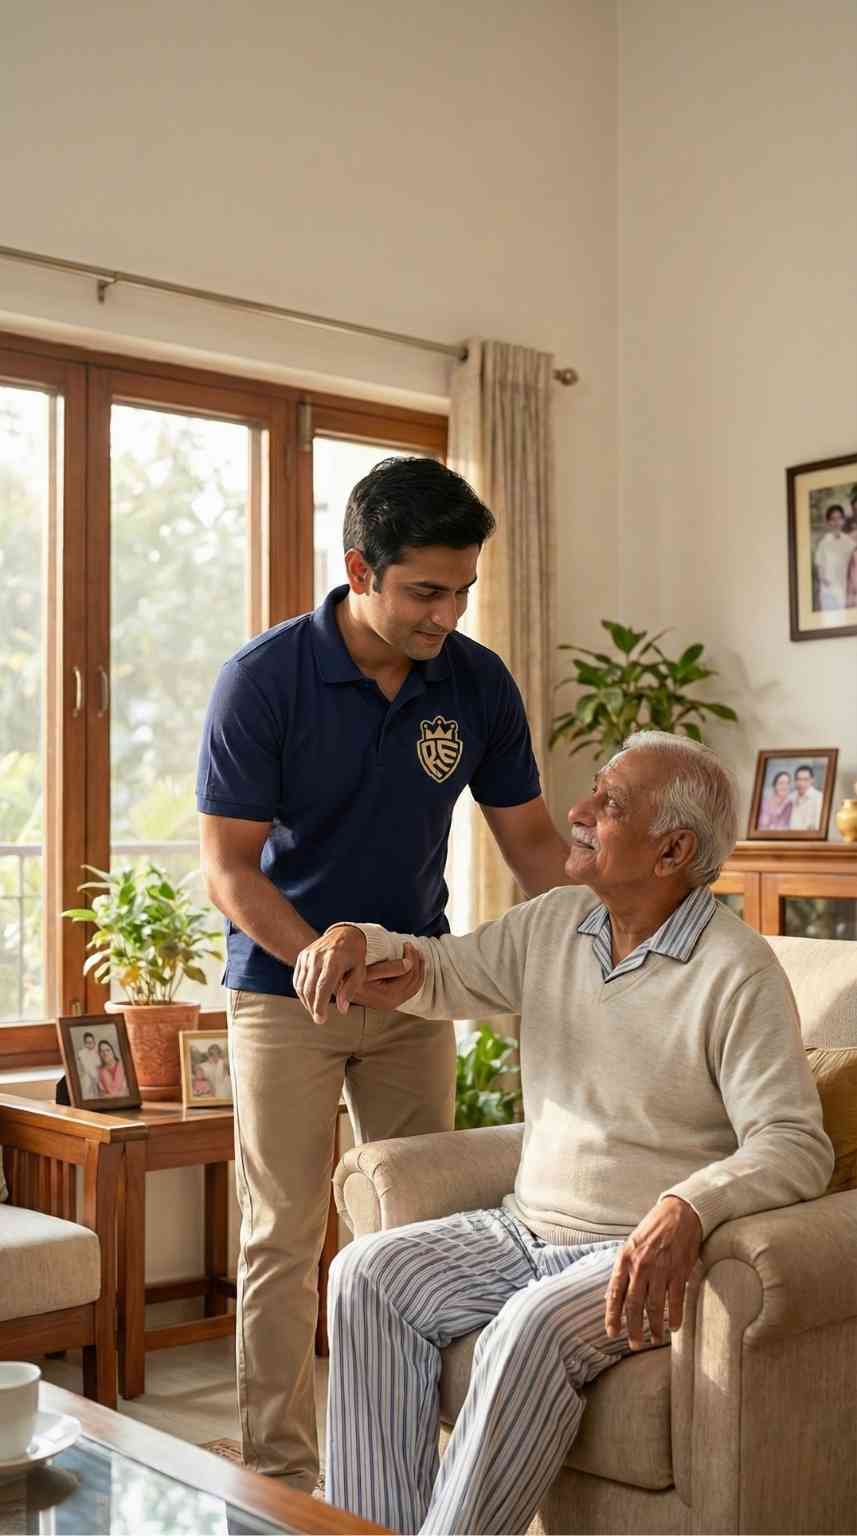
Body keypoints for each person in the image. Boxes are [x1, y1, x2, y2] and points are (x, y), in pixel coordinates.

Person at [294, 731, 833, 1536]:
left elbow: (794, 1143)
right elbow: (436, 970)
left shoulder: (736, 971)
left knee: (526, 1328)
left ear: (671, 850)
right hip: (523, 1228)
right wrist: (355, 940)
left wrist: (688, 1206)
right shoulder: (555, 923)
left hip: (626, 1253)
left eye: (609, 805)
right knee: (365, 1273)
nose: (576, 813)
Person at [196, 456, 571, 1490]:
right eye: (423, 591)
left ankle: (411, 1457)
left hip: (414, 986)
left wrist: (602, 942)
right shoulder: (263, 680)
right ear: (358, 568)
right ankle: (277, 1472)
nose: (444, 614)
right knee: (284, 1228)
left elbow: (532, 843)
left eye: (459, 591)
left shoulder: (475, 681)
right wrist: (309, 948)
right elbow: (229, 865)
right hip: (284, 993)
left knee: (425, 1226)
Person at [813, 504, 856, 611]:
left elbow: (854, 561)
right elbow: (819, 565)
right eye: (833, 519)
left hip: (843, 590)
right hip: (828, 591)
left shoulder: (848, 541)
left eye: (839, 518)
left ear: (843, 520)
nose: (836, 522)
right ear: (828, 522)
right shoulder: (824, 542)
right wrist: (824, 581)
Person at [789, 763, 824, 831]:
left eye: (805, 779)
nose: (801, 783)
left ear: (812, 780)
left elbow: (818, 827)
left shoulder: (819, 798)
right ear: (795, 781)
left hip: (808, 839)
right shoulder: (790, 797)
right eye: (798, 779)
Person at [76, 1031, 101, 1098]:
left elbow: (99, 1065)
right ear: (85, 1043)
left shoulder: (97, 1051)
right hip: (87, 1077)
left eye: (92, 1042)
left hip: (98, 1076)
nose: (90, 1044)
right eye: (88, 1043)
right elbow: (84, 1067)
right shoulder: (82, 1053)